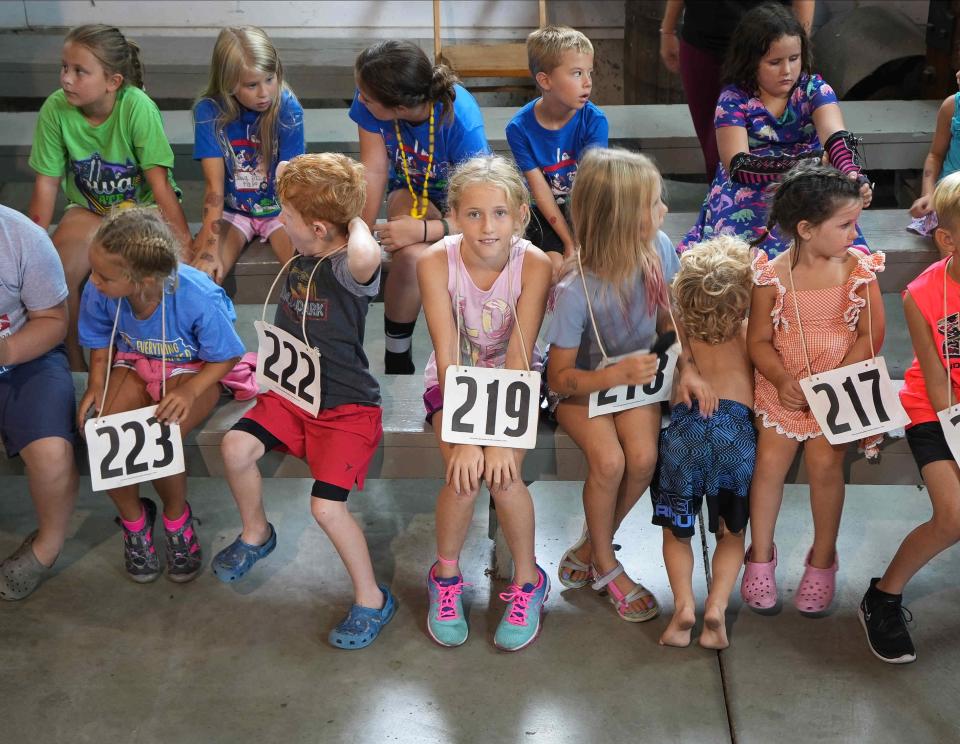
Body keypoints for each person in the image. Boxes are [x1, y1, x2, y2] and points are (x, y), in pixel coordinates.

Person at [214, 153, 395, 650]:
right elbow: (290, 190)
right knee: (235, 448)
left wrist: (353, 216)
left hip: (345, 409)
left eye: (285, 216)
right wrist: (306, 190)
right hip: (294, 398)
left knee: (325, 508)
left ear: (318, 226)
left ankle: (371, 598)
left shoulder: (344, 267)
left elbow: (367, 256)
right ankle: (256, 532)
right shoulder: (302, 251)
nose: (279, 221)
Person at [546, 148, 704, 623]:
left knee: (643, 458)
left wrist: (687, 366)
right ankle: (608, 564)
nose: (665, 212)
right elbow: (559, 378)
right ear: (620, 217)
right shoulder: (576, 290)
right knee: (610, 461)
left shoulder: (658, 249)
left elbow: (670, 319)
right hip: (582, 387)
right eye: (655, 204)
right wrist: (611, 377)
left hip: (635, 380)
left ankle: (592, 545)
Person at [419, 155, 552, 651]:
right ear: (453, 215)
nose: (487, 226)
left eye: (499, 213)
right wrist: (466, 437)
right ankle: (446, 575)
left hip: (513, 381)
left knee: (505, 474)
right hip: (454, 383)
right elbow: (449, 353)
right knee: (462, 470)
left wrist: (496, 439)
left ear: (520, 214)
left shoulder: (533, 264)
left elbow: (520, 355)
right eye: (473, 214)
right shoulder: (435, 261)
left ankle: (527, 581)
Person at [740, 163, 884, 614]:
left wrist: (834, 381)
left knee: (826, 461)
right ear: (805, 229)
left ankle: (823, 559)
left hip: (839, 384)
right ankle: (760, 554)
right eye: (844, 225)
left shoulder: (858, 269)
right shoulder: (772, 276)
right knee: (770, 460)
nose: (853, 233)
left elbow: (870, 334)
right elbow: (758, 340)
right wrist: (783, 380)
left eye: (855, 223)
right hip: (784, 386)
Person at [76, 208, 244, 584]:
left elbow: (227, 355)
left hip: (194, 368)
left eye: (105, 276)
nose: (94, 281)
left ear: (143, 279)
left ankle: (175, 517)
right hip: (135, 361)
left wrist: (191, 391)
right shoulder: (99, 289)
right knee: (104, 431)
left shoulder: (196, 295)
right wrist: (96, 385)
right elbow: (101, 341)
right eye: (94, 271)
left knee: (159, 433)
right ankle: (135, 521)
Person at [28, 24, 190, 371]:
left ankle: (146, 358)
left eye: (79, 71)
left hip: (141, 211)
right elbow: (46, 186)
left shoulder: (137, 107)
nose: (66, 79)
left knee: (134, 272)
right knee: (55, 271)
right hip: (90, 210)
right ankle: (71, 362)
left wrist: (185, 244)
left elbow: (159, 185)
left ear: (112, 81)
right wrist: (31, 248)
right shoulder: (56, 110)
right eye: (64, 68)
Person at [677, 3, 872, 258]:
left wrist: (852, 174)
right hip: (747, 190)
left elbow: (836, 137)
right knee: (738, 259)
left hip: (809, 186)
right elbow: (738, 166)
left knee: (838, 247)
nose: (787, 71)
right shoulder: (733, 98)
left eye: (794, 59)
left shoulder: (814, 89)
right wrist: (808, 163)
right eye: (774, 62)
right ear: (750, 61)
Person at [860, 172, 960, 664]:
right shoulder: (923, 293)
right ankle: (883, 596)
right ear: (947, 239)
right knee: (954, 515)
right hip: (937, 412)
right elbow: (937, 379)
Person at [351, 40, 491, 374]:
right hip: (413, 191)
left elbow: (482, 211)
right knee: (412, 257)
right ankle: (397, 357)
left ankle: (465, 353)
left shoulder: (462, 122)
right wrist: (359, 234)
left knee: (423, 251)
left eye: (367, 97)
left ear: (398, 106)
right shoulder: (370, 104)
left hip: (466, 207)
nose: (359, 99)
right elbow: (373, 169)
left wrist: (427, 229)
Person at [652, 235, 755, 649]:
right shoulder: (748, 332)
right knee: (731, 534)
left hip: (684, 432)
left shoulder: (678, 333)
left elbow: (662, 335)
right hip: (736, 433)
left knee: (677, 533)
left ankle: (682, 608)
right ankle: (716, 608)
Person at [0, 205, 78, 600]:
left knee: (52, 453)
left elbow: (52, 320)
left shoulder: (22, 236)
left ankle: (44, 548)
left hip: (24, 354)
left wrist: (6, 351)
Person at [191, 26, 304, 284]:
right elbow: (214, 186)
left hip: (281, 209)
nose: (264, 93)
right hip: (234, 211)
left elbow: (294, 180)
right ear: (229, 84)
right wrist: (209, 248)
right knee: (202, 277)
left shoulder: (287, 108)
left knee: (303, 276)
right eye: (252, 85)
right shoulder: (209, 111)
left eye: (269, 79)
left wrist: (297, 230)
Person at [659, 0, 815, 179]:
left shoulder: (813, 88)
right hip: (702, 43)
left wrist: (797, 52)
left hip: (764, 50)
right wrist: (668, 29)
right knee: (714, 158)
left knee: (737, 152)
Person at [506, 25, 608, 279]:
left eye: (589, 72)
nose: (588, 82)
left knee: (594, 266)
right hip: (544, 211)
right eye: (576, 73)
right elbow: (540, 192)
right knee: (552, 268)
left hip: (587, 206)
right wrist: (568, 242)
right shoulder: (519, 129)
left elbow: (590, 188)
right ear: (545, 80)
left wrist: (579, 240)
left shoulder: (594, 121)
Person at [906, 71, 960, 238]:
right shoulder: (952, 106)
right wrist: (928, 194)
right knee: (952, 236)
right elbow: (935, 156)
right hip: (949, 196)